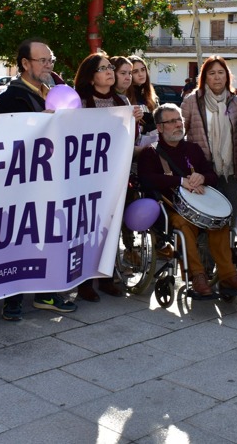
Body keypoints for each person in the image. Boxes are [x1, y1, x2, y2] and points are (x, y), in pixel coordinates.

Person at [0, 39, 78, 320]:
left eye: (50, 60)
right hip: (20, 184)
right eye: (42, 61)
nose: (48, 65)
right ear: (25, 64)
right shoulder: (9, 98)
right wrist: (35, 123)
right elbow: (2, 139)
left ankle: (46, 292)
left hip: (50, 181)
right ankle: (11, 299)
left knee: (48, 236)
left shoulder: (56, 93)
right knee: (17, 239)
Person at [137, 104, 237, 297]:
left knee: (220, 223)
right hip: (169, 209)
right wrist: (181, 181)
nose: (177, 125)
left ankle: (229, 275)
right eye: (171, 121)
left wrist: (202, 178)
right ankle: (197, 276)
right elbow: (147, 180)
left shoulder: (192, 149)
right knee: (183, 224)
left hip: (199, 208)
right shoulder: (151, 152)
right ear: (159, 127)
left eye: (179, 120)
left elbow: (211, 175)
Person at [73, 52, 136, 301]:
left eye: (111, 67)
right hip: (85, 177)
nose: (110, 71)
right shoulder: (80, 102)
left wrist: (135, 123)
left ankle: (106, 277)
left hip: (114, 176)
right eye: (103, 68)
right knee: (86, 230)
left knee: (110, 228)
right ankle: (84, 282)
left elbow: (127, 139)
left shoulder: (121, 101)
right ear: (90, 77)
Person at [181, 56, 237, 230]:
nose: (217, 77)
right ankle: (205, 257)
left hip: (231, 171)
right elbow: (180, 134)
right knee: (205, 220)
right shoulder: (191, 101)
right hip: (202, 170)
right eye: (212, 73)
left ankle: (230, 252)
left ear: (227, 76)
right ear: (205, 77)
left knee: (230, 217)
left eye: (221, 73)